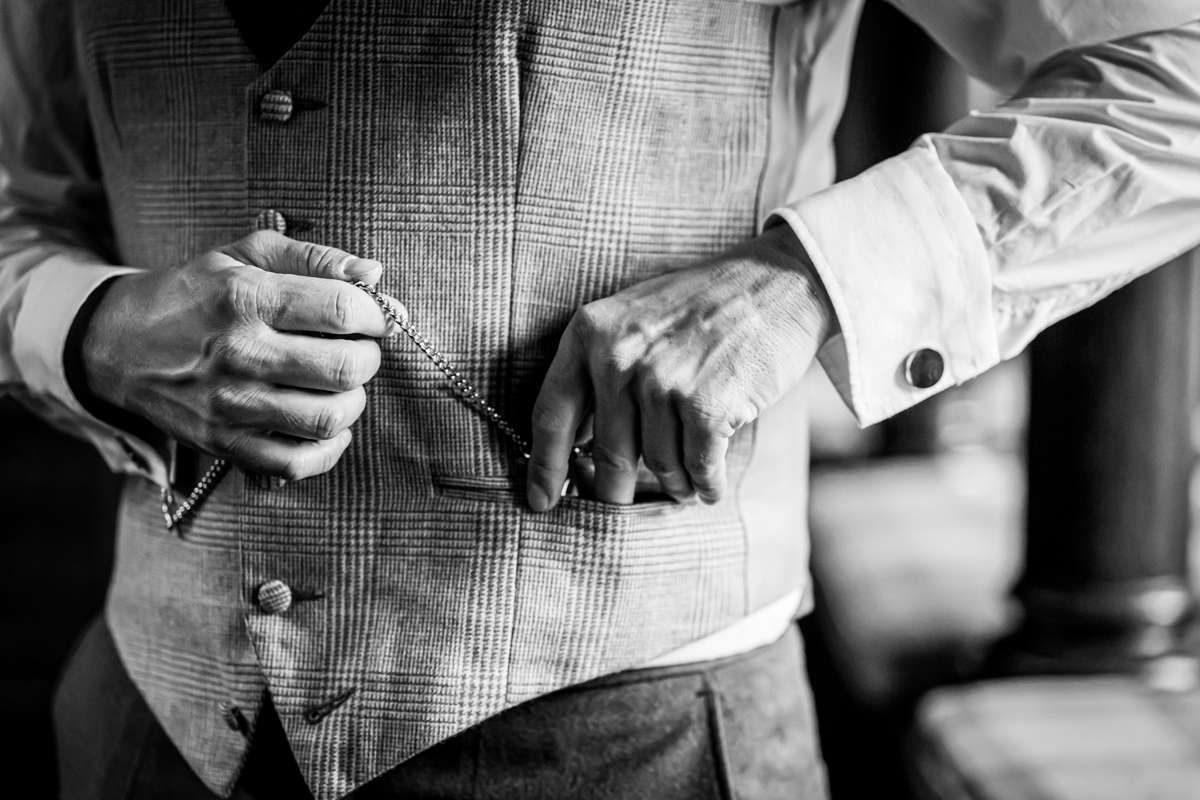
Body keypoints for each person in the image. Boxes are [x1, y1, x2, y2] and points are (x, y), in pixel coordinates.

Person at [4, 0, 1200, 798]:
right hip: (143, 725)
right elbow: (23, 195)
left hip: (643, 743)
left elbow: (1176, 67)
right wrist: (95, 327)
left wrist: (804, 282)